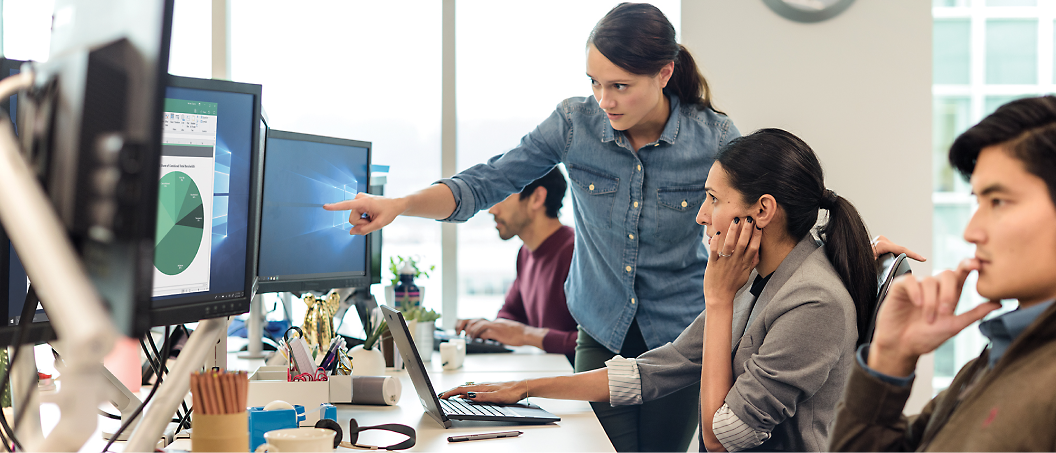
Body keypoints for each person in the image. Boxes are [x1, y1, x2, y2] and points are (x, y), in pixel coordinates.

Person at [326, 4, 734, 451]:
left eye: (620, 86)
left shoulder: (713, 139)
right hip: (601, 331)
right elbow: (488, 181)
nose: (605, 100)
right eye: (594, 83)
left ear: (664, 73)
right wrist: (401, 204)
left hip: (678, 341)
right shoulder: (575, 124)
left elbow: (750, 227)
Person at [439, 128, 882, 453]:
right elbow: (661, 366)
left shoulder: (811, 301)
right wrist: (526, 388)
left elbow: (719, 436)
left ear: (763, 209)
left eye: (712, 199)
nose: (701, 217)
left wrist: (718, 299)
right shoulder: (755, 275)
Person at [828, 96, 1056, 452]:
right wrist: (891, 357)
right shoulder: (996, 357)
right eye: (977, 201)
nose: (971, 231)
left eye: (998, 202)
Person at [455, 168, 578, 363]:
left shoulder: (576, 254)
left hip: (575, 384)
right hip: (547, 375)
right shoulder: (525, 253)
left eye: (502, 196)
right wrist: (487, 327)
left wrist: (527, 335)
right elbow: (511, 314)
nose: (492, 210)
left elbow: (597, 343)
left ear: (537, 198)